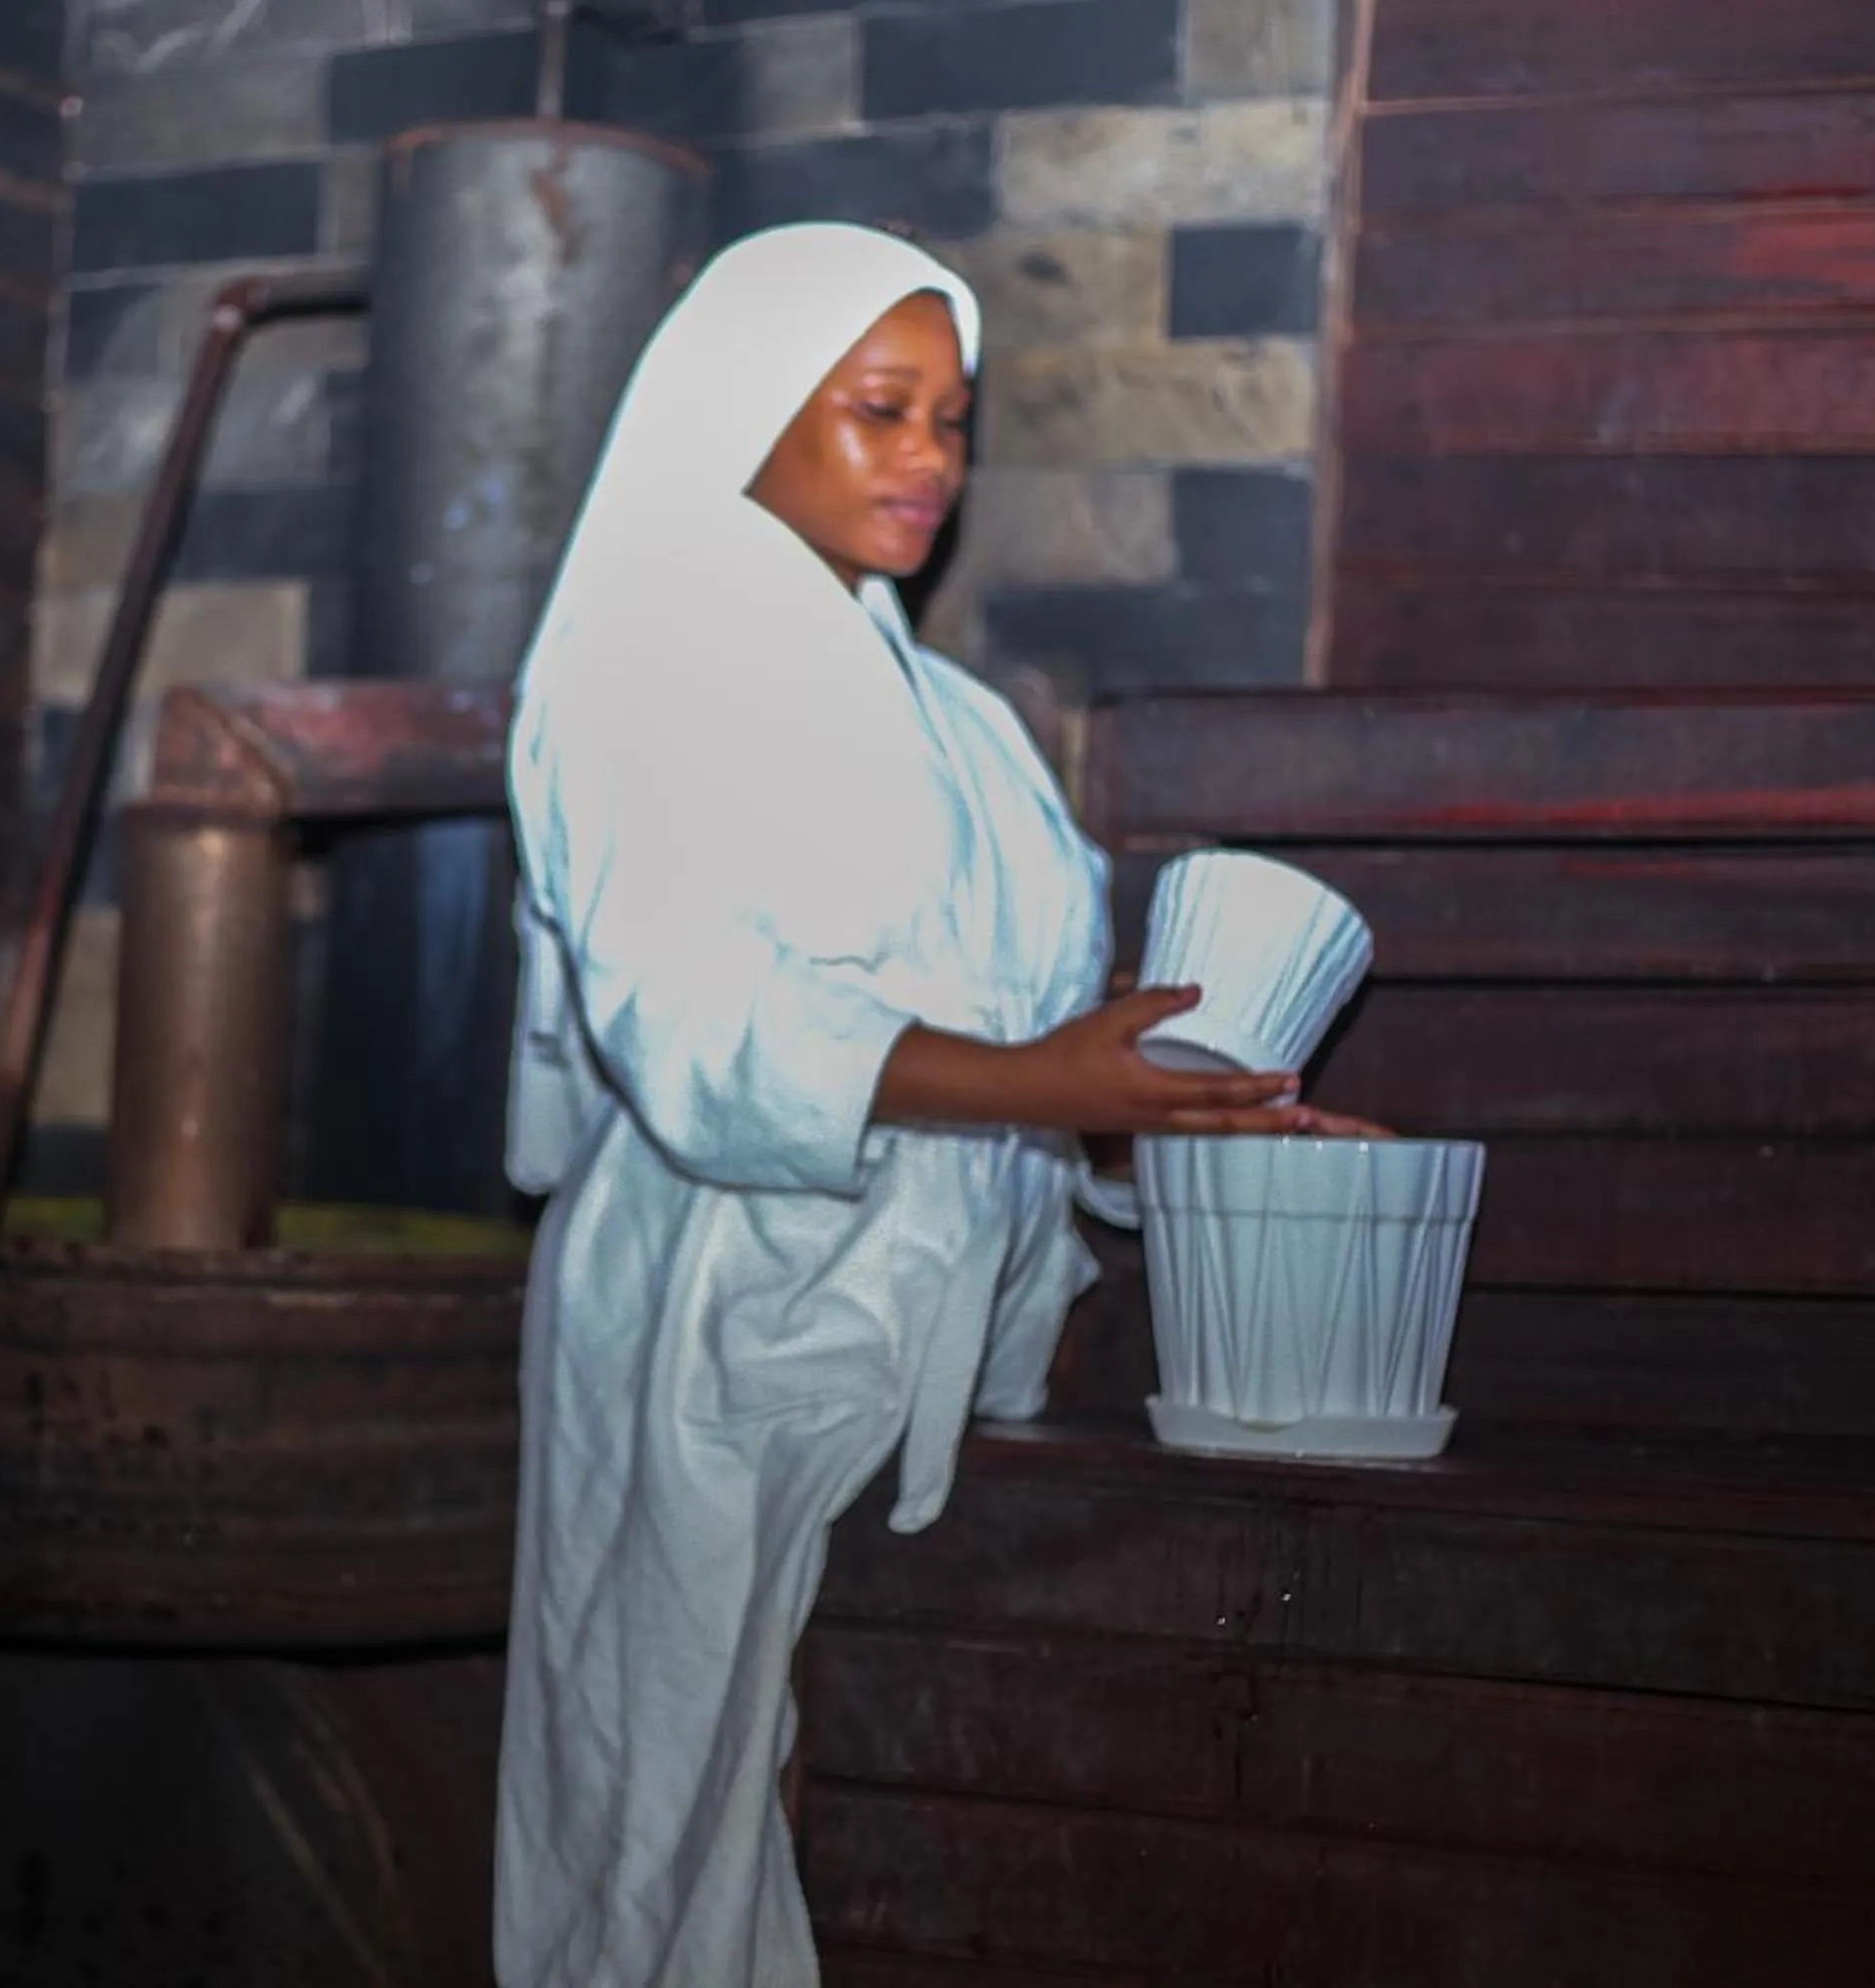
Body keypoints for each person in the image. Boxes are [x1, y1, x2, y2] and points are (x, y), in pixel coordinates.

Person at [493, 221, 1378, 1986]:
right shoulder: (636, 666)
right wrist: (1041, 1080)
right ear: (742, 415)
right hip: (719, 1326)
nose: (928, 461)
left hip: (953, 1349)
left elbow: (1033, 1024)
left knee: (883, 1816)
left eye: (952, 421)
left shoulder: (963, 722)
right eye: (879, 411)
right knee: (658, 1833)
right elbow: (697, 1017)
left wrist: (1176, 1113)